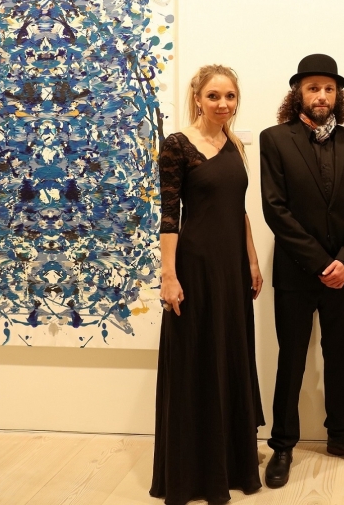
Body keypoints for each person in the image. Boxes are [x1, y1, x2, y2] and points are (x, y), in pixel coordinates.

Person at [259, 53, 344, 489]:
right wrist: (320, 262)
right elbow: (275, 209)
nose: (322, 95)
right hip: (295, 273)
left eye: (329, 88)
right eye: (313, 88)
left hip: (343, 274)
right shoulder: (274, 139)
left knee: (340, 356)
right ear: (298, 94)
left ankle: (340, 435)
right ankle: (282, 445)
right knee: (290, 360)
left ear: (337, 95)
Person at [150, 65, 265, 504]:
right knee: (197, 362)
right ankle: (193, 473)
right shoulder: (178, 144)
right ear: (197, 98)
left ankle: (231, 463)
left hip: (231, 267)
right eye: (214, 96)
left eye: (230, 96)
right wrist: (169, 275)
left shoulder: (235, 143)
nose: (223, 104)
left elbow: (238, 209)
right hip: (195, 267)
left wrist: (251, 260)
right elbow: (169, 216)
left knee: (229, 355)